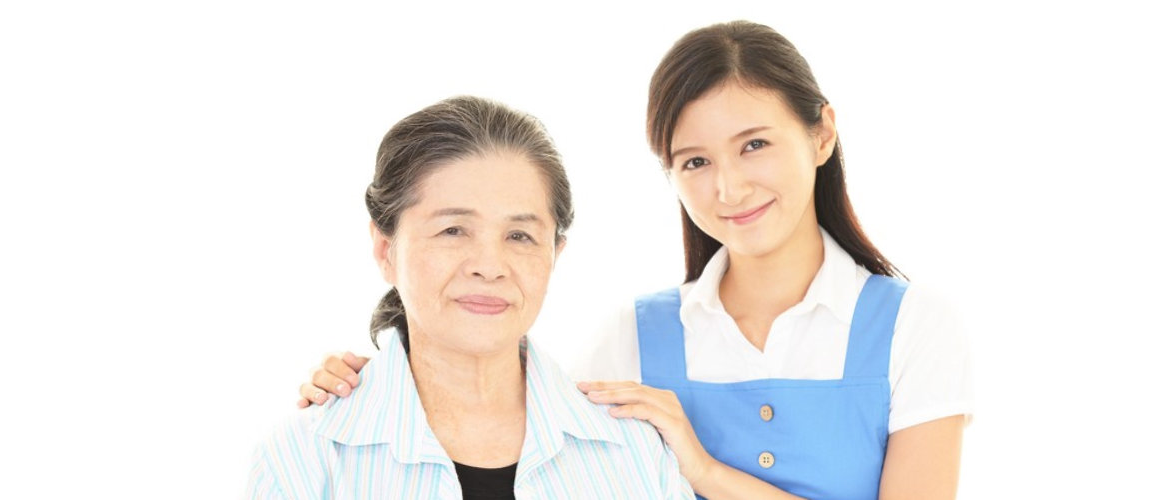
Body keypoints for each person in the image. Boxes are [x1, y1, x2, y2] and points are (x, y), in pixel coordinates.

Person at [296, 21, 971, 500]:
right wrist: (376, 384)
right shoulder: (633, 337)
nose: (728, 188)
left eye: (755, 144)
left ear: (821, 133)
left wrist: (705, 473)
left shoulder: (913, 328)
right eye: (695, 162)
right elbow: (496, 408)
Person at [246, 96, 693, 499]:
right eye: (453, 230)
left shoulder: (634, 450)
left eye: (519, 235)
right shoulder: (305, 458)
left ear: (554, 255)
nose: (490, 265)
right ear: (386, 250)